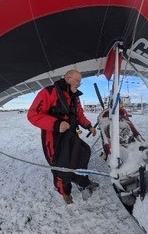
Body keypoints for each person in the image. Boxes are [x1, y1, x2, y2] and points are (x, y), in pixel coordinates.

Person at [27, 69, 97, 204]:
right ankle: (65, 192)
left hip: (71, 135)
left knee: (83, 152)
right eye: (77, 81)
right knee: (61, 165)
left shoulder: (75, 97)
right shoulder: (48, 92)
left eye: (80, 82)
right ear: (69, 79)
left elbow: (80, 115)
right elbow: (33, 115)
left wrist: (89, 126)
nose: (79, 84)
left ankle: (81, 182)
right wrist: (56, 124)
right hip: (54, 138)